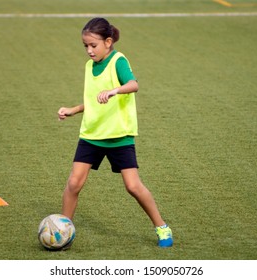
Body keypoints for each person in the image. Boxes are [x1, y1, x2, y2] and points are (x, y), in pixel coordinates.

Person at [57, 17, 173, 247]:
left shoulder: (118, 61)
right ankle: (63, 231)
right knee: (74, 184)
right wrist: (74, 110)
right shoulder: (89, 66)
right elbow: (92, 100)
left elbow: (134, 84)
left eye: (93, 45)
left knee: (133, 186)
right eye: (85, 46)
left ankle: (162, 227)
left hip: (118, 136)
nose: (89, 51)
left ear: (108, 42)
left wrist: (114, 91)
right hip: (91, 134)